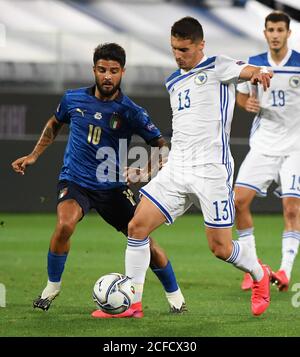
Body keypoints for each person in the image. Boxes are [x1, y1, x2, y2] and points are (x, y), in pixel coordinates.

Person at [11, 43, 186, 318]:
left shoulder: (130, 111)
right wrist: (34, 155)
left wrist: (145, 170)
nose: (107, 76)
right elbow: (55, 123)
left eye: (113, 71)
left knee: (143, 241)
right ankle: (51, 287)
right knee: (65, 223)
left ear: (122, 72)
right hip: (76, 180)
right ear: (94, 69)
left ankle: (176, 298)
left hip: (113, 187)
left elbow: (161, 145)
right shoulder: (73, 99)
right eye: (102, 69)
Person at [120, 16, 273, 318]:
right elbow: (181, 133)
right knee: (137, 227)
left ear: (201, 45)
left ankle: (259, 274)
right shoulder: (173, 81)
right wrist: (151, 168)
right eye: (174, 48)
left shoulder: (218, 65)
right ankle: (132, 303)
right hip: (178, 168)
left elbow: (249, 70)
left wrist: (259, 73)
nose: (178, 55)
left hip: (211, 170)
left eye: (185, 49)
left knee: (220, 248)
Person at [234, 11, 300, 292]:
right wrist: (245, 103)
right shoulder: (255, 65)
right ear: (265, 33)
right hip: (263, 144)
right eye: (270, 29)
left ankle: (285, 271)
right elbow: (240, 94)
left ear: (288, 33)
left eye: (279, 30)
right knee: (238, 201)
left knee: (292, 208)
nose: (275, 34)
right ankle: (252, 267)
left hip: (296, 147)